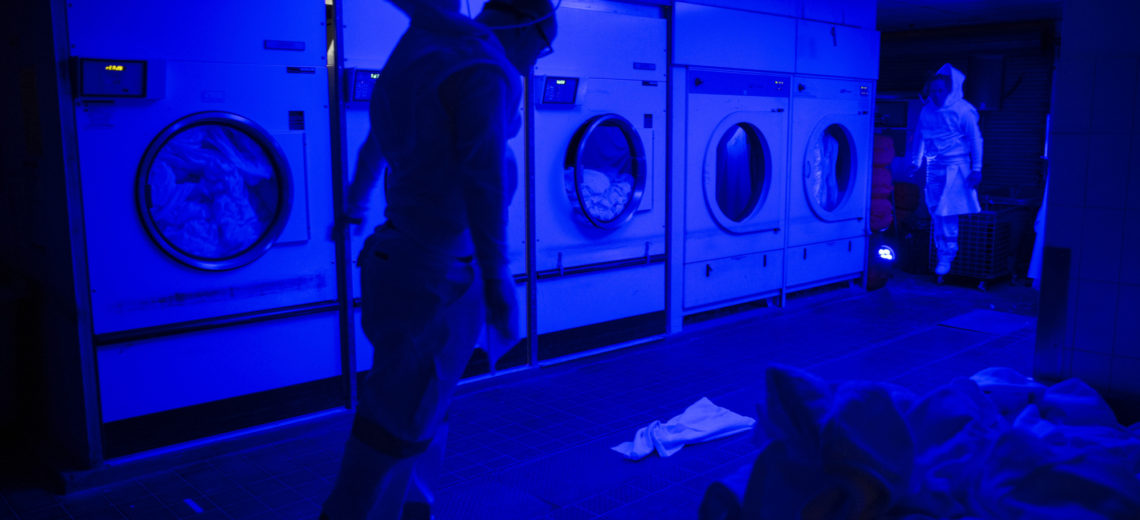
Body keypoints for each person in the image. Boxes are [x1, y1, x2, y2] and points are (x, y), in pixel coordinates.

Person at [321, 0, 557, 518]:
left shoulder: (423, 45)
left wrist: (355, 201)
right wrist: (500, 284)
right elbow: (484, 180)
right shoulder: (484, 67)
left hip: (397, 254)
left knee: (422, 412)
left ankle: (410, 512)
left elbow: (374, 142)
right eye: (539, 53)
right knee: (391, 431)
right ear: (526, 27)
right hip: (437, 275)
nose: (532, 66)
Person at [910, 63, 984, 276]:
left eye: (940, 90)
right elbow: (920, 135)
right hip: (934, 165)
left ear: (950, 89)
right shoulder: (927, 111)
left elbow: (975, 139)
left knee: (947, 211)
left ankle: (947, 254)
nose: (936, 94)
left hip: (956, 167)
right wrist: (916, 161)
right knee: (935, 210)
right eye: (933, 90)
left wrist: (976, 169)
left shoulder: (963, 111)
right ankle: (943, 251)